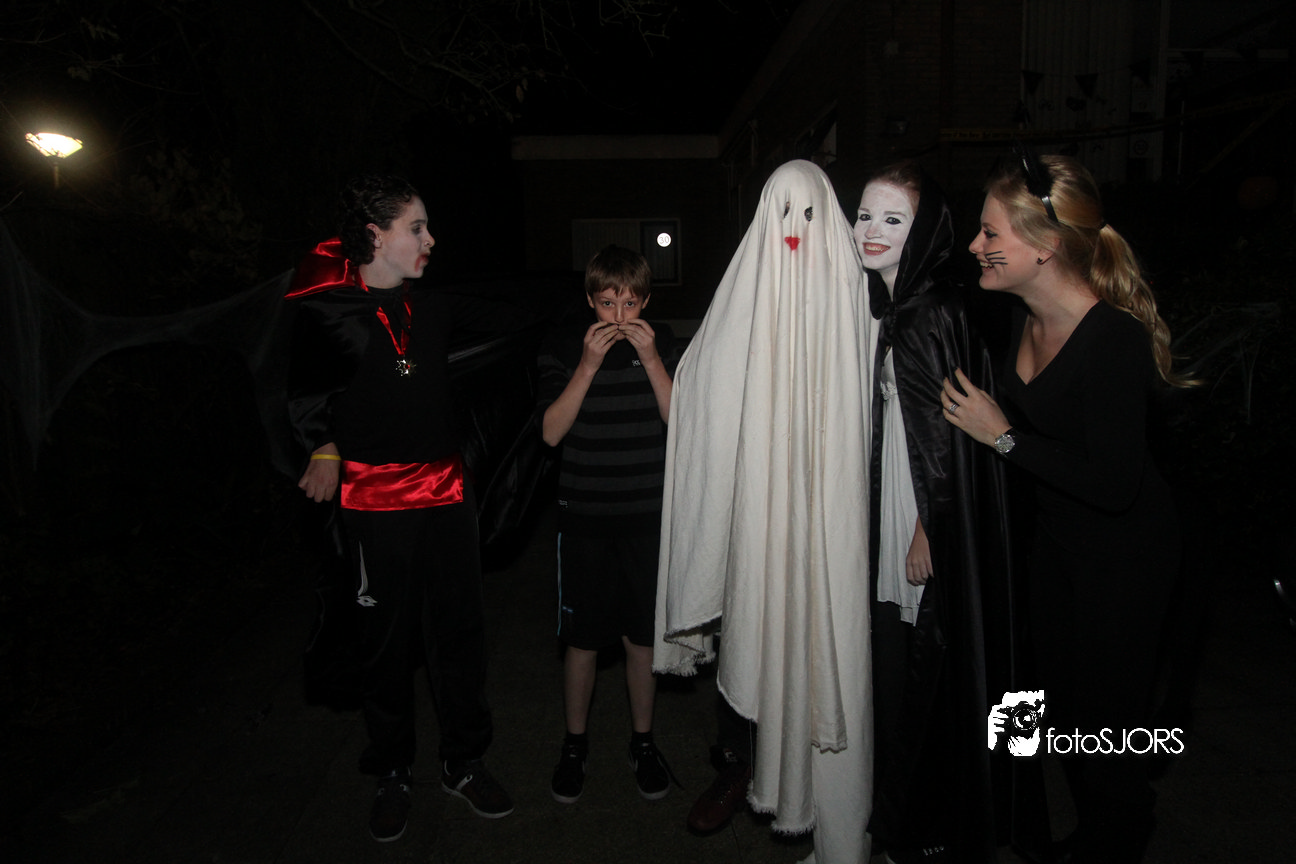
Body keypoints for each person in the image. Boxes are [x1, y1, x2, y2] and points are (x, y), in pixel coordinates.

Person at [943, 149, 1189, 864]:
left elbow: (1112, 483)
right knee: (1056, 706)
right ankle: (1086, 827)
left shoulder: (1112, 339)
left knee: (1107, 721)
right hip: (1058, 545)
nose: (974, 246)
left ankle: (1121, 833)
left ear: (1046, 247)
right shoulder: (1020, 318)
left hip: (1126, 558)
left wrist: (1003, 437)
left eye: (991, 233)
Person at [655, 159, 874, 864]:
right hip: (760, 521)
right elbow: (702, 386)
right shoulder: (745, 295)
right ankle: (740, 766)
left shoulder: (856, 295)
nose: (794, 234)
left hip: (835, 524)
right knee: (757, 621)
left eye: (808, 216)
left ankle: (843, 828)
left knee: (834, 652)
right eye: (781, 215)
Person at [287, 174, 514, 843]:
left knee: (460, 634)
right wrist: (322, 444)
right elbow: (301, 391)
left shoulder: (433, 307)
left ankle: (463, 761)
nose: (431, 239)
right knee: (385, 643)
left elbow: (511, 312)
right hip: (375, 500)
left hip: (446, 494)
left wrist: (594, 306)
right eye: (417, 228)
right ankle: (392, 769)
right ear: (376, 235)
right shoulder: (326, 311)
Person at [859, 161, 1042, 864]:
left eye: (892, 219)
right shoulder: (896, 307)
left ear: (925, 232)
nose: (872, 231)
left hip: (925, 515)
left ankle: (931, 828)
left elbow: (949, 438)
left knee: (929, 672)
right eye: (864, 215)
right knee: (907, 670)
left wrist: (926, 527)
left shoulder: (930, 311)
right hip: (902, 504)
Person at [534, 244, 680, 804]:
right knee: (582, 641)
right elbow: (551, 432)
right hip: (586, 518)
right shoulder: (561, 344)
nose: (619, 316)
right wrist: (588, 365)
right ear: (590, 301)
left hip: (648, 517)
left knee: (642, 639)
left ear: (646, 301)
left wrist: (652, 360)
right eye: (606, 303)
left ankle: (643, 742)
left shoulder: (664, 342)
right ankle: (575, 745)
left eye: (629, 303)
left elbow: (682, 422)